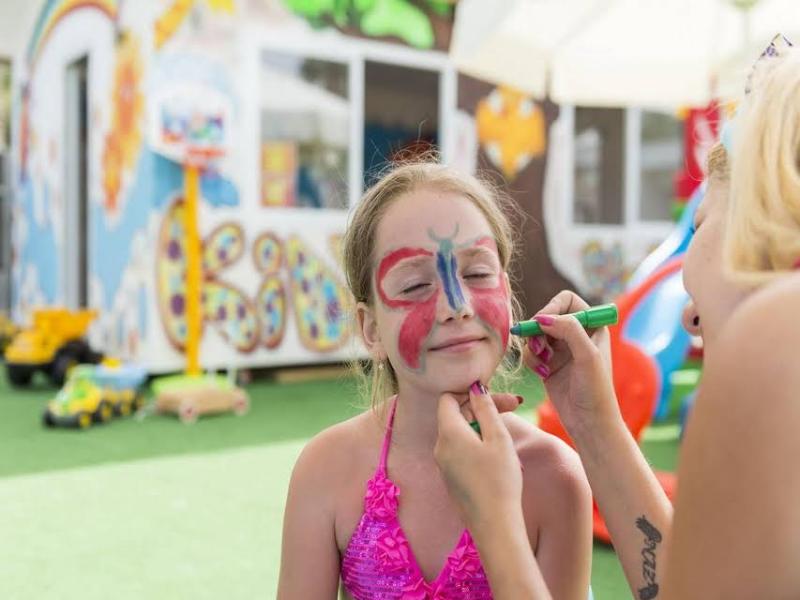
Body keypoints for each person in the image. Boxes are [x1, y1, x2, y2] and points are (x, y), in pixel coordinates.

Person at [434, 37, 800, 600]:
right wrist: (596, 425)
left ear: (766, 219)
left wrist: (496, 521)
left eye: (699, 222)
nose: (690, 320)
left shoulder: (776, 344)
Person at [277, 162, 593, 599]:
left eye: (477, 274)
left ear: (506, 294)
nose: (457, 305)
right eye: (414, 285)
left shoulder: (554, 476)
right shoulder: (327, 468)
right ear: (371, 329)